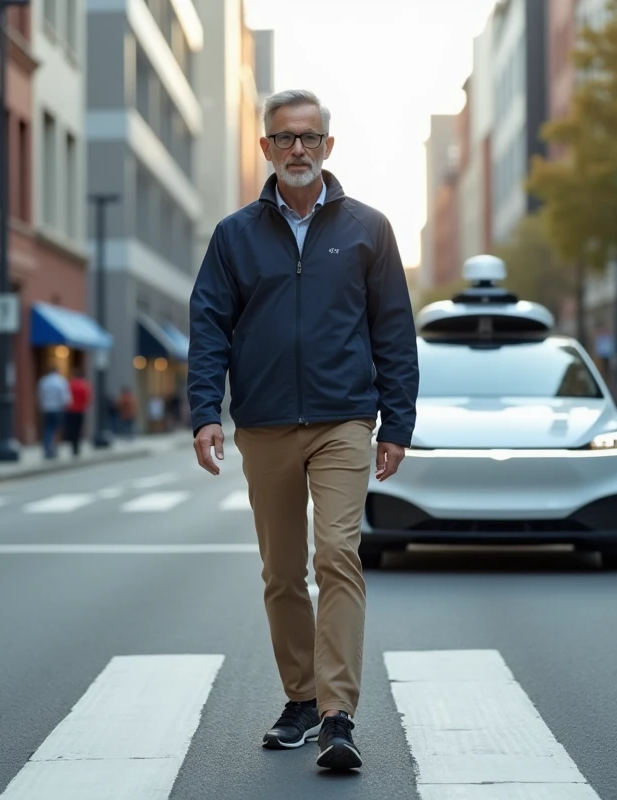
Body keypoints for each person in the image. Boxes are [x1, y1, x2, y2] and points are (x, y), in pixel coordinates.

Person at [187, 88, 419, 772]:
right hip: (263, 424)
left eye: (309, 138)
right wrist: (206, 411)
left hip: (344, 417)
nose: (297, 149)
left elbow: (394, 331)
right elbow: (208, 327)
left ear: (328, 147)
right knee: (282, 571)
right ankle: (299, 697)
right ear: (265, 147)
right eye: (284, 138)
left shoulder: (369, 229)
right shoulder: (234, 235)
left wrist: (396, 422)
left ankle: (336, 713)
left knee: (337, 556)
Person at [36, 365, 71, 459]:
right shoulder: (61, 381)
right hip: (57, 409)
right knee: (56, 429)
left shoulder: (44, 381)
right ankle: (54, 449)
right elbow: (65, 398)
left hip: (46, 408)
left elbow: (40, 395)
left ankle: (47, 449)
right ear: (57, 371)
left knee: (48, 429)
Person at [64, 368, 91, 457]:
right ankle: (77, 448)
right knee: (78, 429)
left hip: (71, 409)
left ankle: (73, 447)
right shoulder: (84, 385)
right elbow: (87, 398)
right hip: (80, 410)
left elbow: (66, 396)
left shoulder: (70, 384)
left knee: (72, 430)